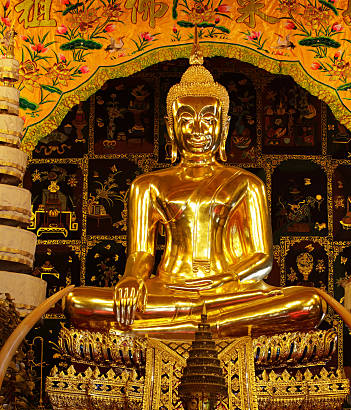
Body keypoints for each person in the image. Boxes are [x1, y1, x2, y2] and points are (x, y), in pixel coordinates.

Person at [64, 40, 325, 340]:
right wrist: (131, 280)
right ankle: (207, 327)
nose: (198, 129)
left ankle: (183, 329)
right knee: (78, 303)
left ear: (224, 128)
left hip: (230, 291)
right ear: (170, 126)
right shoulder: (148, 185)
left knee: (306, 303)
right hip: (167, 290)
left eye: (208, 120)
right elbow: (141, 252)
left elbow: (262, 258)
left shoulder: (246, 184)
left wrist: (227, 280)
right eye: (187, 119)